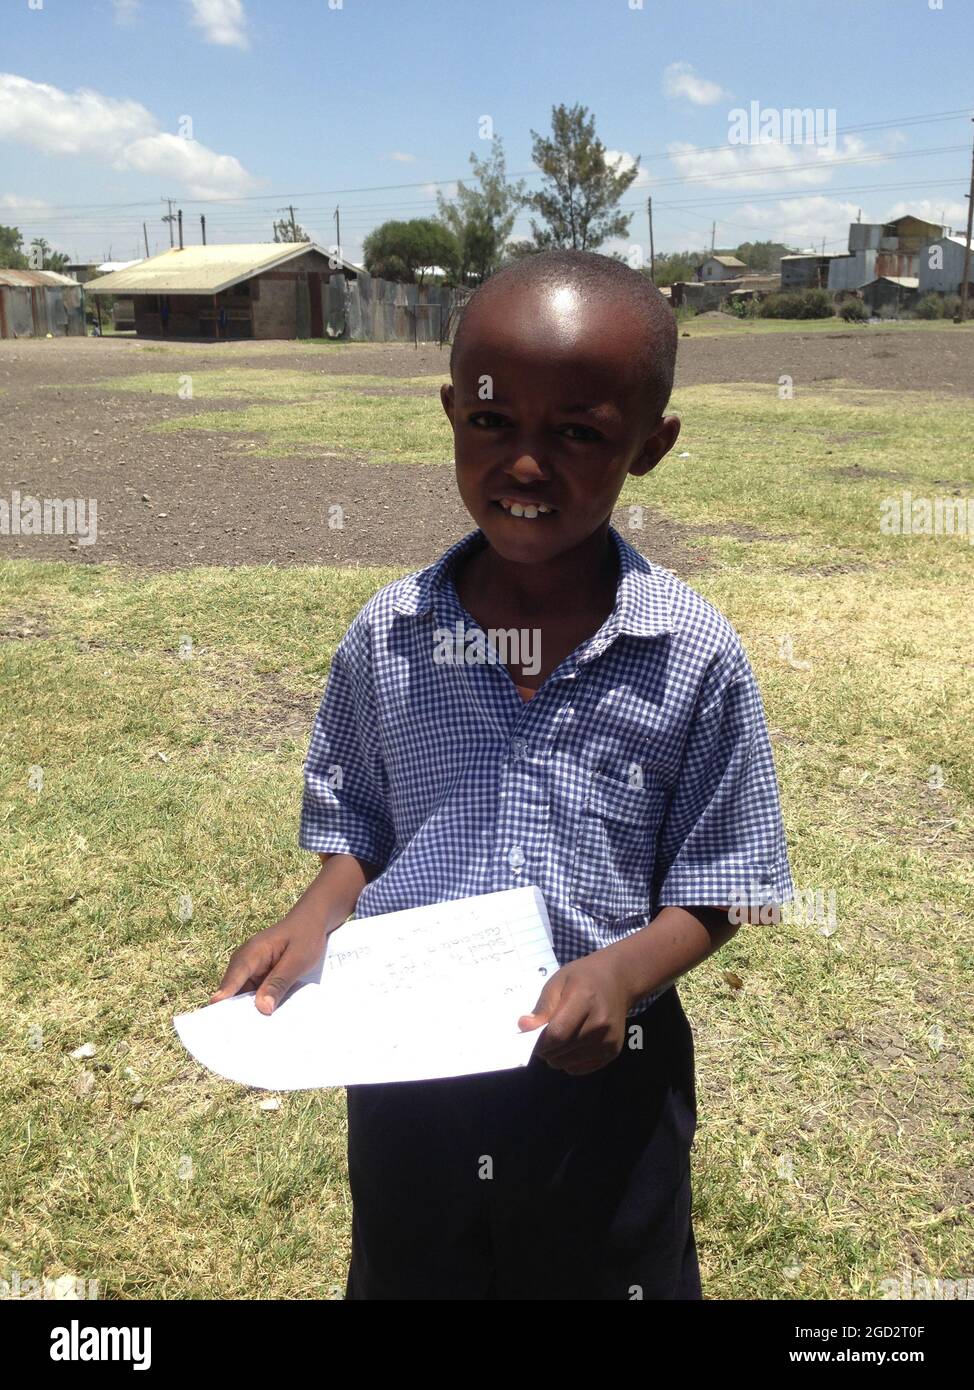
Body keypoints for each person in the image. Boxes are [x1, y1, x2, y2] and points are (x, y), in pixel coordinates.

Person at [211, 250, 793, 1300]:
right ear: (448, 413)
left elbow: (722, 885)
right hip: (410, 1073)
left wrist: (618, 974)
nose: (525, 464)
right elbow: (362, 829)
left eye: (577, 432)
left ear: (650, 446)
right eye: (490, 422)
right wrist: (313, 915)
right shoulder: (388, 636)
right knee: (412, 1273)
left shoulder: (689, 655)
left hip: (604, 1079)